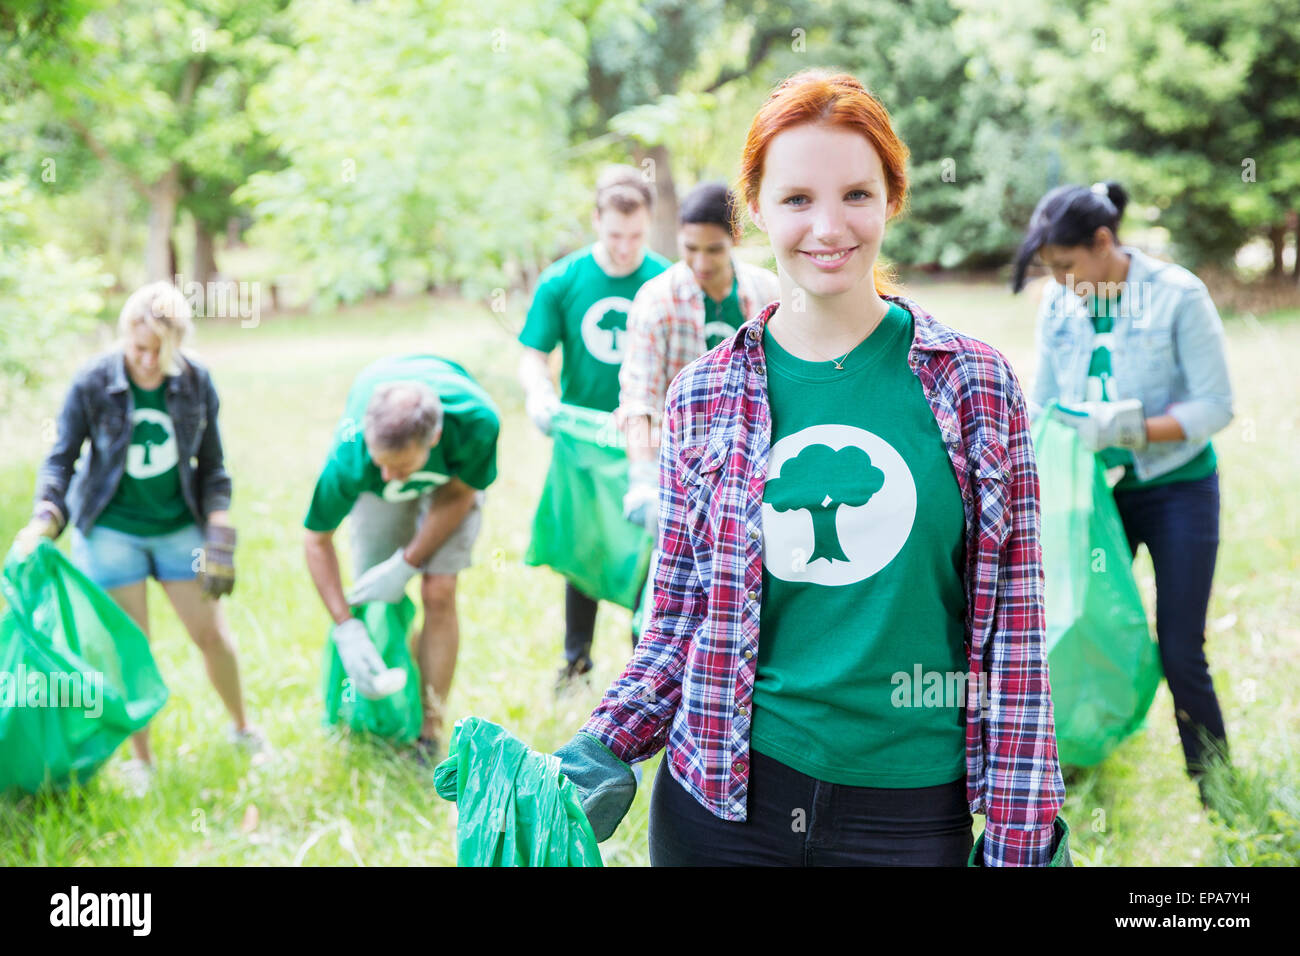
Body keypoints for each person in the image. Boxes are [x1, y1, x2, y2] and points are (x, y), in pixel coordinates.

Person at [553, 69, 1069, 866]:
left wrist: (1021, 832)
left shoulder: (975, 384)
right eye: (797, 199)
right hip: (721, 805)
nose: (828, 226)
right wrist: (603, 741)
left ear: (892, 199)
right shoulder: (704, 395)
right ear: (753, 208)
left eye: (856, 195)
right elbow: (681, 617)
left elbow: (1014, 637)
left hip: (908, 812)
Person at [1011, 181, 1235, 807]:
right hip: (1092, 495)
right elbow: (1043, 405)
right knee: (1068, 624)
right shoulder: (1058, 307)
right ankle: (1072, 758)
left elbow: (1216, 407)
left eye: (1065, 267)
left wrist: (1126, 427)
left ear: (1103, 242)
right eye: (1049, 272)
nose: (1058, 283)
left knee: (1181, 646)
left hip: (1175, 487)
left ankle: (1213, 785)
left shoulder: (1176, 297)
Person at [17, 280, 261, 794]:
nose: (147, 360)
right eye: (138, 347)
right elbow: (62, 459)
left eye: (159, 350)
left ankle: (243, 729)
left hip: (178, 527)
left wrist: (218, 522)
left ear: (178, 344)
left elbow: (213, 465)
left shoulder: (196, 381)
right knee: (130, 648)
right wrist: (45, 519)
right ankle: (142, 762)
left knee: (211, 633)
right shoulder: (92, 382)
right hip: (110, 531)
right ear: (124, 335)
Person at [517, 165, 672, 686]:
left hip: (648, 440)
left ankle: (643, 665)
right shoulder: (563, 280)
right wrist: (539, 392)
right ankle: (576, 659)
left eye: (636, 236)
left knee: (645, 548)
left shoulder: (668, 280)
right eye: (614, 236)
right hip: (584, 440)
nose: (625, 248)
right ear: (595, 222)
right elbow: (533, 353)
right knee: (587, 544)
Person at [303, 354, 500, 761]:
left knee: (439, 590)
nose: (390, 477)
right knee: (376, 597)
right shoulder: (351, 456)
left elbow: (461, 493)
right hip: (386, 455)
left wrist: (409, 562)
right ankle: (394, 708)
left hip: (452, 482)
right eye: (381, 465)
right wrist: (345, 627)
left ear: (433, 438)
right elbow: (316, 539)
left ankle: (429, 733)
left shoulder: (477, 424)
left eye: (401, 466)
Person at [618, 181, 780, 537]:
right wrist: (643, 478)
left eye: (714, 249)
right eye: (690, 248)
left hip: (756, 466)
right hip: (681, 472)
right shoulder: (657, 301)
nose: (701, 262)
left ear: (735, 237)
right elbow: (639, 399)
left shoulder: (769, 293)